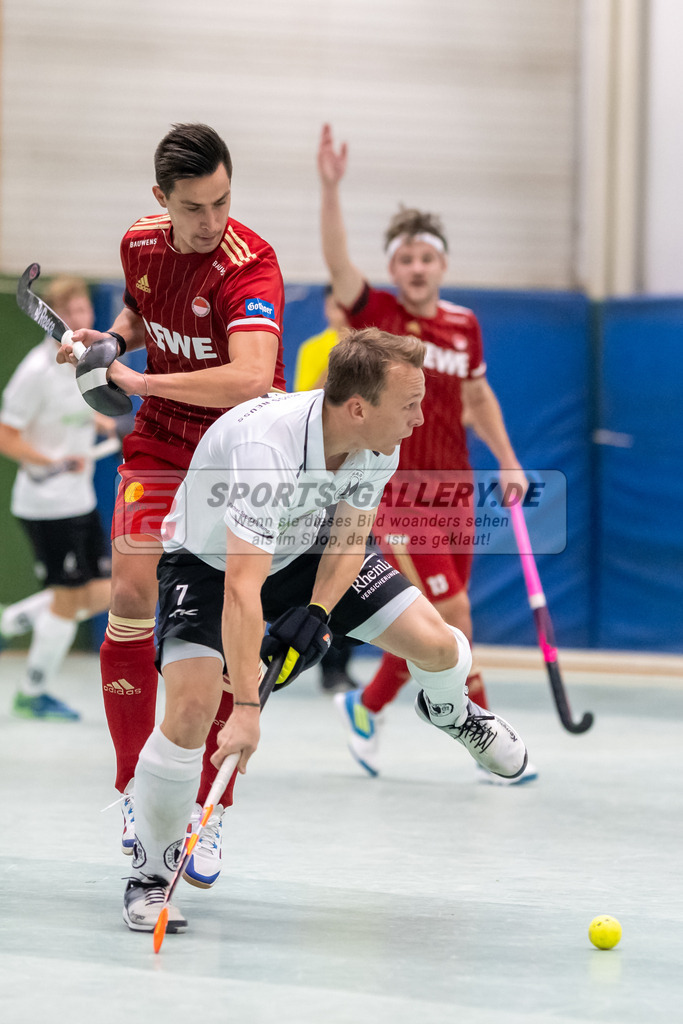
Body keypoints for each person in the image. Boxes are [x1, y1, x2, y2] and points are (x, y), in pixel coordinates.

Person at [121, 327, 529, 932]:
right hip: (209, 563)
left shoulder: (376, 441)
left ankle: (449, 712)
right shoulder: (270, 447)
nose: (419, 419)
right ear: (359, 406)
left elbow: (347, 539)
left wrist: (315, 614)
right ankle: (149, 876)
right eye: (410, 404)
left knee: (442, 646)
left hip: (307, 545)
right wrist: (249, 705)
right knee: (191, 710)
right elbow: (241, 587)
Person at [57, 123, 286, 879]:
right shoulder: (141, 242)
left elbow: (253, 378)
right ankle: (133, 790)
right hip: (160, 443)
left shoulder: (250, 265)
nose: (212, 222)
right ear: (162, 199)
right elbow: (139, 310)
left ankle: (207, 811)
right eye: (195, 208)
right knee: (128, 587)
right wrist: (112, 343)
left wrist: (139, 381)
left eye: (223, 202)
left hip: (239, 446)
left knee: (226, 623)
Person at [317, 123, 537, 784]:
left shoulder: (463, 325)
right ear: (392, 268)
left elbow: (477, 395)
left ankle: (369, 703)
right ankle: (485, 732)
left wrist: (507, 460)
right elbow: (335, 265)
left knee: (439, 614)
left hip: (456, 488)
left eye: (426, 258)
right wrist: (330, 189)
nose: (415, 268)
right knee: (456, 613)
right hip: (398, 490)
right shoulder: (377, 311)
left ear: (441, 264)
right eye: (404, 259)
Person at [0, 276, 114, 719]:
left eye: (86, 309)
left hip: (79, 500)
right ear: (51, 317)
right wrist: (53, 461)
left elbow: (86, 413)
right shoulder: (34, 372)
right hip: (45, 502)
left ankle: (14, 621)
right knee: (67, 602)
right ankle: (32, 694)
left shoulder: (87, 364)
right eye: (72, 311)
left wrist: (105, 423)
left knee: (105, 592)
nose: (82, 319)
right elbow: (7, 436)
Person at [293, 286, 358, 694]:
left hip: (358, 473)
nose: (342, 311)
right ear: (328, 307)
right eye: (337, 304)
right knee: (316, 565)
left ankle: (339, 665)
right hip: (320, 475)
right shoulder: (315, 348)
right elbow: (304, 402)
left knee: (352, 566)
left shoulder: (377, 351)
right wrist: (340, 364)